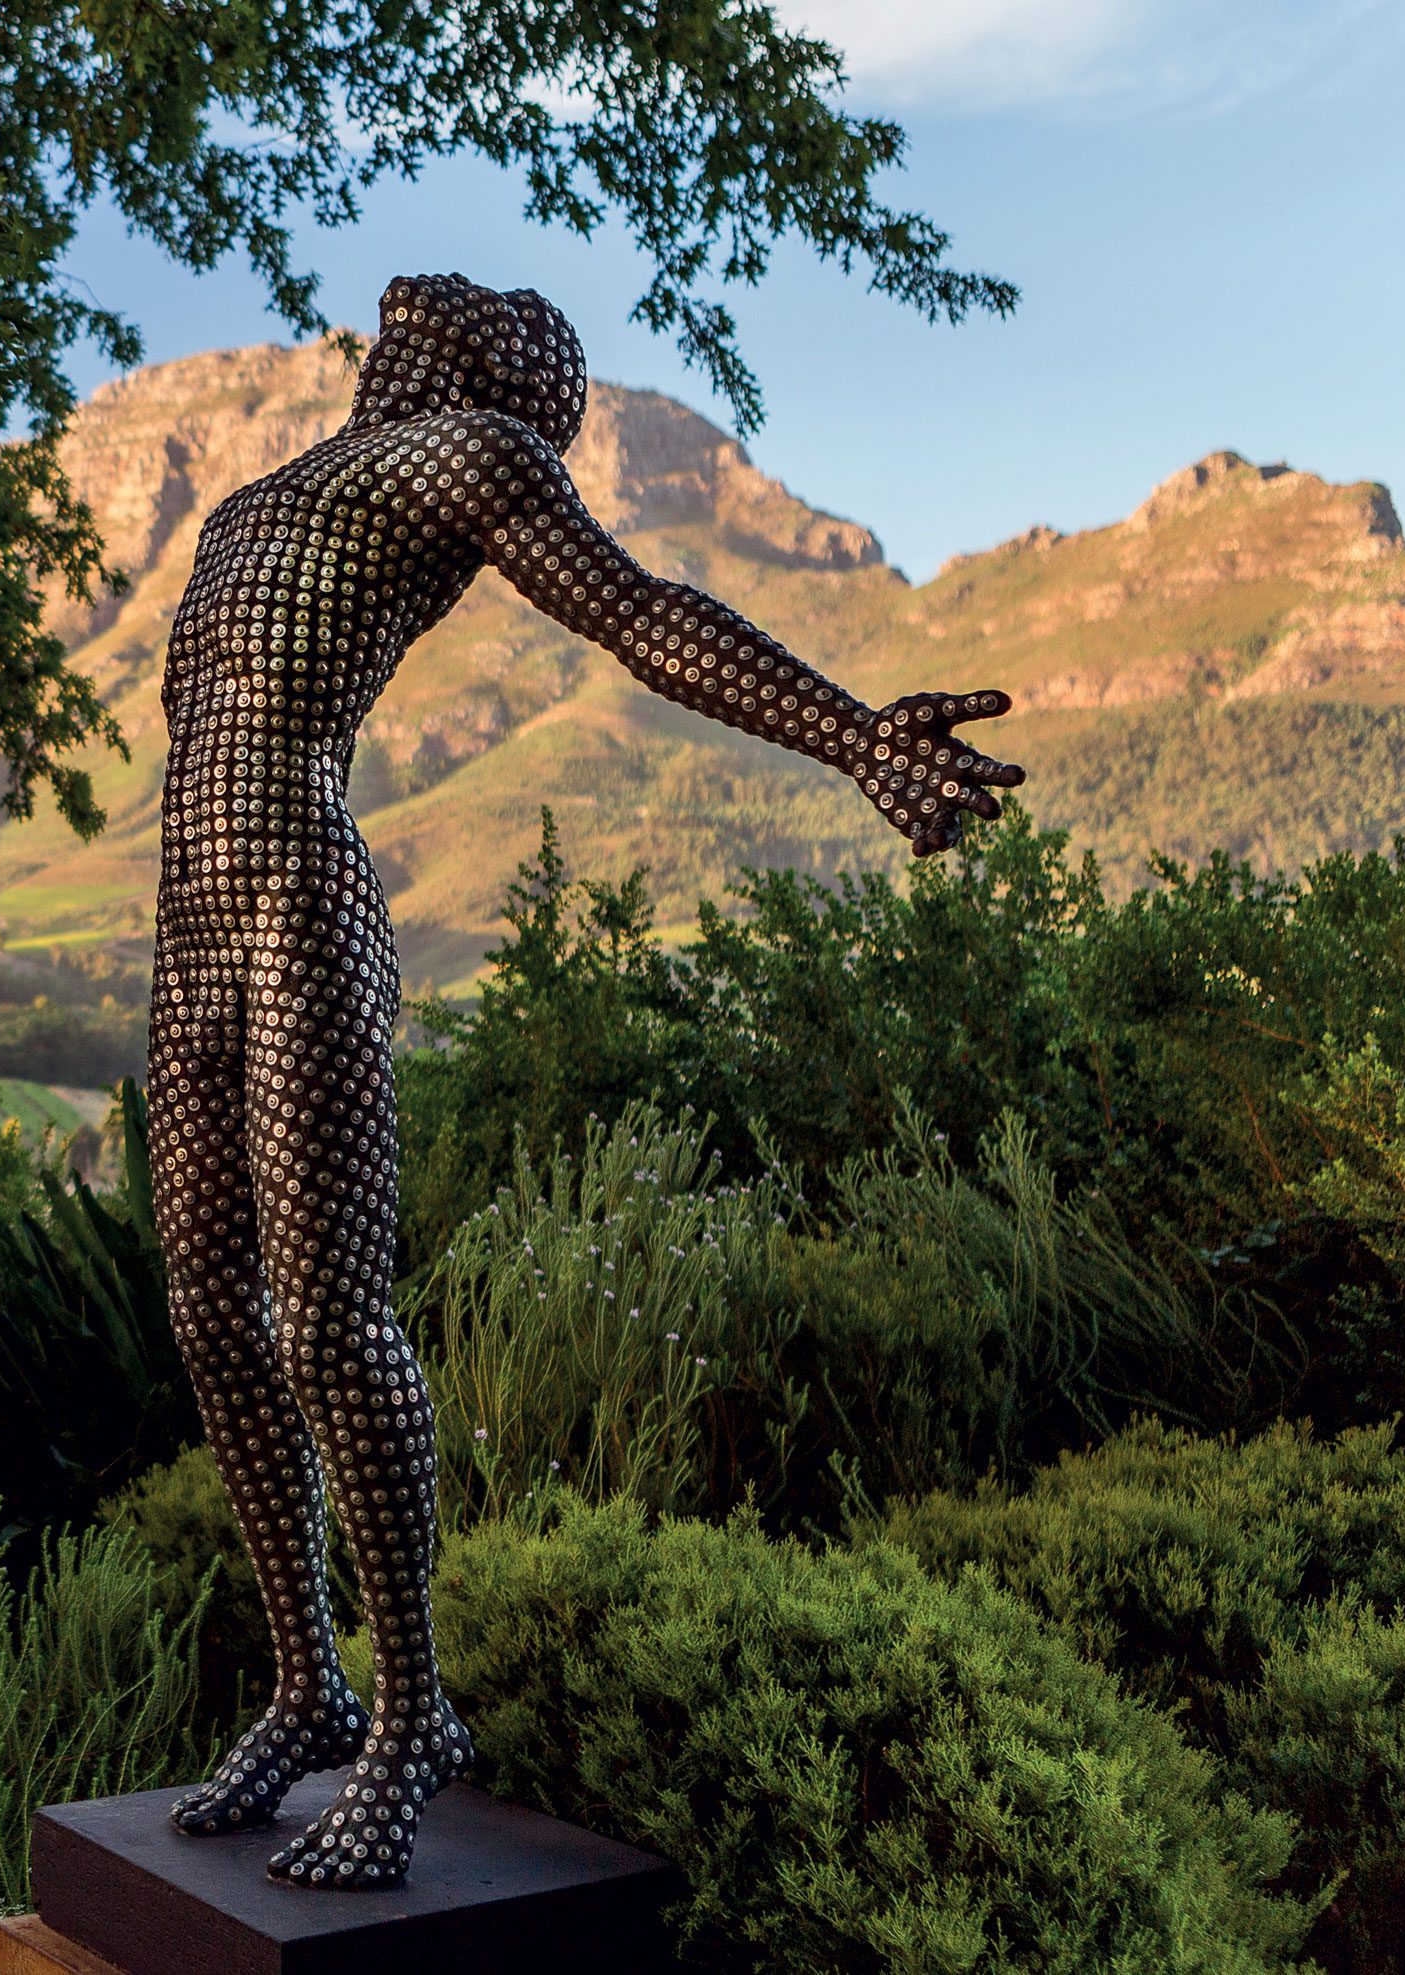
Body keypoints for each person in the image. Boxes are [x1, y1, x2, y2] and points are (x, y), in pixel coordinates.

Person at [145, 272, 1023, 1889]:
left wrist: (851, 737)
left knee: (326, 1320)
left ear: (492, 380)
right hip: (189, 920)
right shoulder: (261, 501)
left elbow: (644, 617)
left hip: (295, 900)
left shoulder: (467, 456)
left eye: (479, 346)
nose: (418, 330)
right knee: (210, 1314)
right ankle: (307, 1685)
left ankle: (412, 1720)